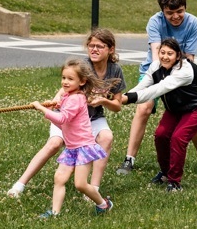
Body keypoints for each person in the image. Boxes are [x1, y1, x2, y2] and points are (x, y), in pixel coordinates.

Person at [7, 28, 126, 198]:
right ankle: (19, 185)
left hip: (91, 118)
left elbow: (117, 106)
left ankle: (93, 190)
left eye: (99, 46)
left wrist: (102, 101)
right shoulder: (83, 66)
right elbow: (65, 87)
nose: (94, 49)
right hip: (68, 117)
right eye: (91, 45)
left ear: (111, 49)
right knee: (54, 144)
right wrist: (55, 100)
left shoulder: (115, 70)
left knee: (106, 137)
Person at [116, 0, 197, 175]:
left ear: (185, 8)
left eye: (180, 11)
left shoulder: (193, 22)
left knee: (188, 111)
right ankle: (129, 159)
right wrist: (159, 79)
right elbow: (156, 54)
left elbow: (189, 57)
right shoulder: (155, 21)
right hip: (154, 70)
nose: (176, 16)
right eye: (170, 13)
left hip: (179, 73)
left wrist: (178, 80)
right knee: (143, 108)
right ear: (162, 11)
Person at [121, 38, 197, 192]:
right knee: (161, 135)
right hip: (177, 106)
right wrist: (123, 96)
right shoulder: (155, 66)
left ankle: (175, 182)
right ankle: (165, 173)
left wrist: (129, 99)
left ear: (178, 56)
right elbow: (143, 86)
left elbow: (158, 89)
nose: (165, 57)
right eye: (162, 52)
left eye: (170, 54)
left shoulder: (185, 70)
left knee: (179, 137)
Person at [31, 57, 120, 217]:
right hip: (72, 148)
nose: (65, 82)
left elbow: (62, 118)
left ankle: (103, 204)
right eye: (63, 77)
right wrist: (51, 109)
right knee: (59, 178)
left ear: (82, 81)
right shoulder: (67, 97)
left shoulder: (76, 99)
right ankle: (55, 213)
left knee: (80, 184)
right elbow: (63, 124)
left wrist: (41, 108)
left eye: (70, 79)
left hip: (83, 147)